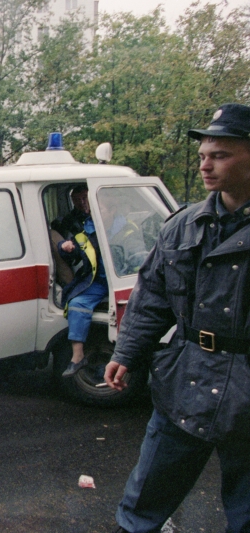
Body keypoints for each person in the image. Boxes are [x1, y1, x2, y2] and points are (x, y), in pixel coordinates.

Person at [105, 103, 250, 533]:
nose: (206, 165)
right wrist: (127, 352)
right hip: (185, 379)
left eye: (220, 155)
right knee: (142, 504)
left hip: (246, 386)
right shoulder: (183, 226)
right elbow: (152, 297)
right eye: (203, 155)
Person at [57, 190, 109, 378]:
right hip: (98, 280)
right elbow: (74, 249)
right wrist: (63, 247)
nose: (87, 207)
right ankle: (78, 357)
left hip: (122, 281)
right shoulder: (87, 228)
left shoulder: (126, 227)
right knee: (77, 304)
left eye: (94, 204)